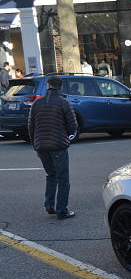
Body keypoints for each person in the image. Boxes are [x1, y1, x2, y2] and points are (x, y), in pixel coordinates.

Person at [28, 76, 78, 220]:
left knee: (51, 175)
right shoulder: (64, 103)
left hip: (41, 146)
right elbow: (73, 126)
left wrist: (35, 145)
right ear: (60, 87)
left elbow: (30, 126)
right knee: (63, 179)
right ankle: (62, 211)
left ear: (48, 87)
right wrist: (66, 136)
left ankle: (49, 206)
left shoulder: (37, 103)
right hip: (58, 146)